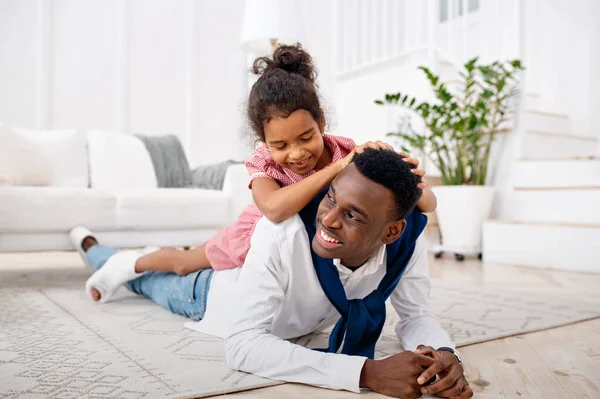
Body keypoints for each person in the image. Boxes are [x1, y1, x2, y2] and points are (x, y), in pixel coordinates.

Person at [70, 149, 472, 399]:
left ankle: (111, 254)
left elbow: (416, 314)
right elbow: (242, 345)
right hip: (207, 293)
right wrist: (365, 372)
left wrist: (444, 355)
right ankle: (98, 250)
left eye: (352, 215)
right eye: (330, 198)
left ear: (391, 231)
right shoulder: (282, 232)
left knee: (171, 257)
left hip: (280, 308)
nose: (327, 220)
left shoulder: (407, 240)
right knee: (145, 279)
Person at [74, 43, 438, 303]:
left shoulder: (346, 149)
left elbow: (426, 203)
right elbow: (275, 209)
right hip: (248, 240)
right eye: (280, 145)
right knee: (185, 263)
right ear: (263, 140)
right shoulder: (264, 164)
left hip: (301, 256)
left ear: (321, 122)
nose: (295, 154)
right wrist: (339, 168)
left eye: (306, 137)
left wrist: (407, 175)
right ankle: (127, 263)